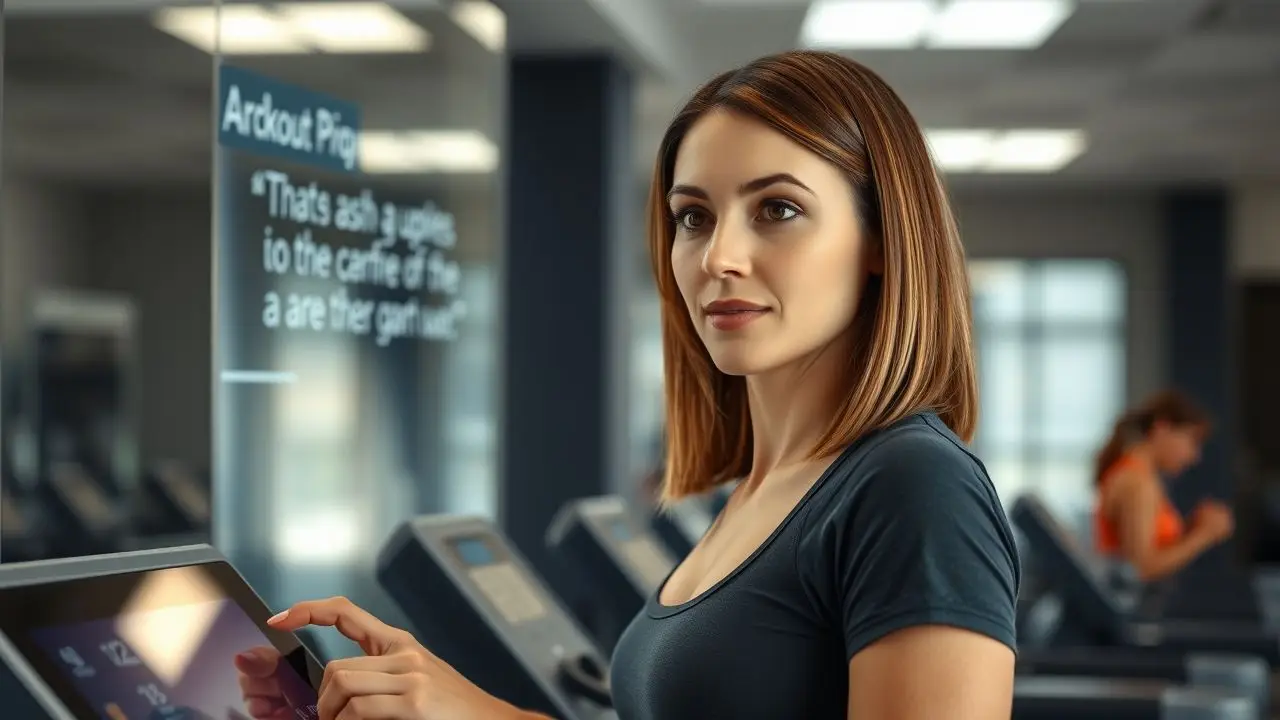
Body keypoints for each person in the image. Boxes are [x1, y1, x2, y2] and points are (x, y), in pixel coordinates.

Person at [264, 50, 1020, 720]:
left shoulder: (913, 488)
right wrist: (434, 701)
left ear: (882, 241)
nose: (719, 255)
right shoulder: (757, 493)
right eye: (693, 218)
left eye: (778, 209)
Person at [1094, 389, 1234, 582]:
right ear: (1162, 429)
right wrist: (1204, 535)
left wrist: (1194, 530)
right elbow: (1139, 569)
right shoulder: (1137, 483)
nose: (1194, 456)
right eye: (1192, 441)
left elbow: (1151, 551)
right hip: (1135, 606)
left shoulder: (1142, 478)